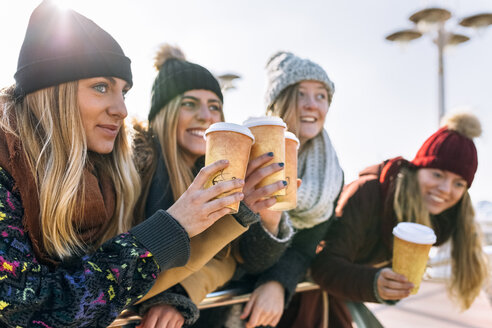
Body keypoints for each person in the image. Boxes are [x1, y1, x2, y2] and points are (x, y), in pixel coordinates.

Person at [0, 2, 244, 327]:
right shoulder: (6, 172)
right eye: (101, 87)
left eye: (124, 92)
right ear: (52, 93)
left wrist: (248, 210)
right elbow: (31, 314)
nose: (121, 109)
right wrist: (172, 226)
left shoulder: (110, 176)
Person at [130, 45, 294, 327]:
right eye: (189, 104)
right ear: (164, 112)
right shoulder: (131, 169)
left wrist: (270, 216)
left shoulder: (223, 175)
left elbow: (235, 259)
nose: (206, 116)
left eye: (214, 106)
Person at [308, 112, 490, 327]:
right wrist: (373, 282)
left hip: (342, 296)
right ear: (418, 169)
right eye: (438, 175)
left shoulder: (444, 220)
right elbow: (321, 264)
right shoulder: (368, 193)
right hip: (303, 299)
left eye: (459, 184)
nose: (445, 190)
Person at [203, 51, 344, 328]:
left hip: (273, 313)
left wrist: (278, 282)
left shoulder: (332, 174)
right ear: (279, 101)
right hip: (220, 299)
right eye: (301, 94)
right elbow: (225, 243)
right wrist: (266, 221)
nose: (312, 105)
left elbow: (304, 248)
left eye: (321, 96)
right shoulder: (243, 147)